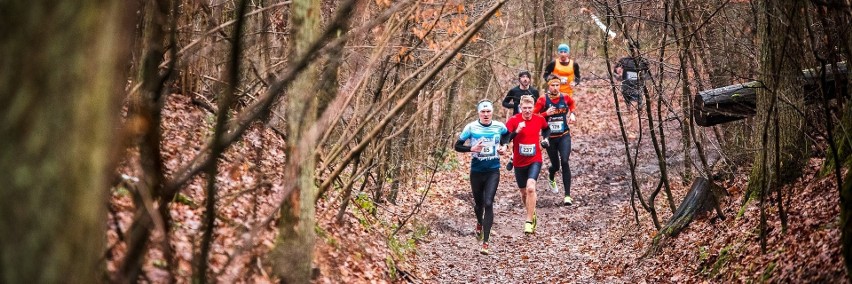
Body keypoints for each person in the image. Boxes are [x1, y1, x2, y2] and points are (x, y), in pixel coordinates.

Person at [454, 99, 508, 255]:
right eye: (483, 112)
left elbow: (507, 135)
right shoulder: (471, 127)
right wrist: (472, 148)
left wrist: (504, 146)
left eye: (488, 111)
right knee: (479, 205)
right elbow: (457, 146)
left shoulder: (499, 126)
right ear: (478, 113)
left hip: (493, 170)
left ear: (492, 112)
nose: (485, 114)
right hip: (477, 171)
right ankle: (479, 222)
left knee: (489, 202)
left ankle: (486, 241)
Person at [505, 95, 550, 234]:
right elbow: (504, 138)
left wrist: (545, 139)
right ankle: (531, 211)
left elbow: (547, 129)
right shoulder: (514, 120)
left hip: (534, 159)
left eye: (530, 108)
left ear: (533, 108)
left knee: (531, 188)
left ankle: (529, 221)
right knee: (524, 193)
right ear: (520, 108)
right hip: (519, 162)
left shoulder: (539, 119)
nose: (527, 111)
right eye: (524, 108)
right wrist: (516, 131)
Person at [534, 76, 577, 206]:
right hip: (550, 138)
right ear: (549, 86)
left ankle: (567, 196)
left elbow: (572, 103)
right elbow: (534, 116)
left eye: (557, 85)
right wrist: (546, 113)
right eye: (552, 85)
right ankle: (551, 175)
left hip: (564, 135)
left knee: (565, 161)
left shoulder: (565, 97)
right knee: (556, 166)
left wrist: (573, 113)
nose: (555, 88)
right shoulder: (542, 100)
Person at [502, 70, 540, 171]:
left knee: (527, 139)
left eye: (527, 77)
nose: (525, 79)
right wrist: (515, 105)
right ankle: (513, 157)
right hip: (517, 119)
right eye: (523, 77)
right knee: (517, 138)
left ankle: (530, 160)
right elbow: (504, 103)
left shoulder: (534, 92)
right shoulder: (514, 91)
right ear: (519, 79)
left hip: (530, 118)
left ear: (530, 79)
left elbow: (539, 105)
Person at [613, 42, 650, 109]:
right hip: (626, 85)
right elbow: (615, 71)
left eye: (635, 49)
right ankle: (629, 109)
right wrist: (618, 72)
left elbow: (648, 74)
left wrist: (643, 78)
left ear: (638, 50)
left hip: (637, 85)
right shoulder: (623, 60)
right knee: (627, 101)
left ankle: (639, 109)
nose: (633, 51)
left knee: (637, 101)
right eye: (631, 49)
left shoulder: (642, 61)